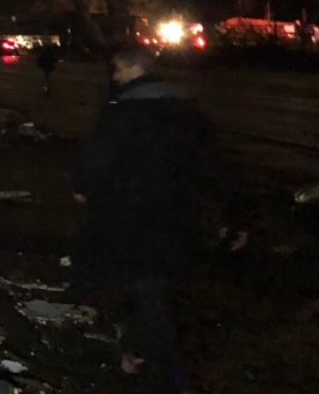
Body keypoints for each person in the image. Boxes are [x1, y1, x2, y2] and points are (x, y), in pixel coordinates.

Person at [71, 48, 246, 392]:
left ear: (136, 68)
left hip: (129, 215)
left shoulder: (120, 111)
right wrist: (232, 217)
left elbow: (95, 160)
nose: (115, 75)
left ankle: (153, 362)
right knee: (158, 286)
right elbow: (214, 165)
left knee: (147, 288)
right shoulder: (188, 110)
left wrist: (83, 187)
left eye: (119, 68)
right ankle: (147, 353)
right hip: (178, 215)